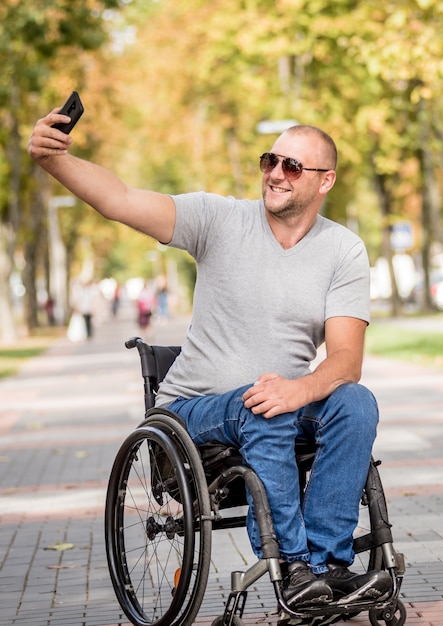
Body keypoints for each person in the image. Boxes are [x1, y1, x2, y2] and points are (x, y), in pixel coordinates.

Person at [28, 107, 391, 612]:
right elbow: (120, 199)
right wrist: (54, 160)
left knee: (355, 402)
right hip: (194, 411)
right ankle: (293, 568)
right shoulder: (219, 220)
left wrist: (297, 389)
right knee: (266, 406)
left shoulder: (343, 250)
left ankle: (327, 566)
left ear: (325, 180)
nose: (275, 174)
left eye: (292, 166)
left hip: (278, 405)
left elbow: (346, 360)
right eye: (270, 161)